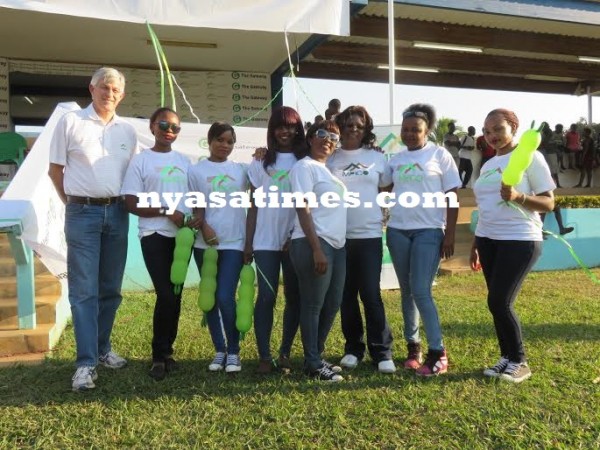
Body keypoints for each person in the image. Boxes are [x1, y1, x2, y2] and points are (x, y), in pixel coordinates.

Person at [48, 67, 138, 392]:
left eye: (115, 89)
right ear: (92, 88)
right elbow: (54, 170)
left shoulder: (128, 131)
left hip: (117, 213)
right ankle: (85, 364)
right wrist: (74, 202)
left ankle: (102, 350)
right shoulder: (70, 122)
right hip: (81, 213)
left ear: (122, 95)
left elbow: (133, 174)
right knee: (84, 291)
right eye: (104, 87)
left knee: (111, 289)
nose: (109, 93)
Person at [470, 108, 555, 383]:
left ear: (513, 127)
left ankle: (520, 361)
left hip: (520, 239)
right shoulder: (487, 165)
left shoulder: (531, 157)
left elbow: (549, 203)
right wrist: (475, 242)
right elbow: (486, 208)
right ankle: (506, 357)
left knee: (499, 301)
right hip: (488, 239)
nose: (491, 135)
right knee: (496, 304)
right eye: (487, 130)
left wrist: (519, 196)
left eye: (497, 129)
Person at [385, 104, 460, 377]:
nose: (409, 134)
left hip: (429, 231)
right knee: (407, 291)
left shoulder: (440, 155)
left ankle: (438, 352)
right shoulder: (394, 159)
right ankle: (413, 347)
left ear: (427, 130)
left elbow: (452, 196)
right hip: (397, 231)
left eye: (415, 129)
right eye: (405, 129)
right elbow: (382, 187)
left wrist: (449, 233)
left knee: (421, 290)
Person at [121, 107, 192, 380]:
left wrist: (194, 218)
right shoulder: (141, 161)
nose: (169, 131)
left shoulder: (185, 161)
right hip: (154, 234)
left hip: (182, 237)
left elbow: (195, 196)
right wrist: (166, 211)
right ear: (152, 127)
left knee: (175, 294)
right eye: (164, 125)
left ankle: (168, 351)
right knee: (165, 294)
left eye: (175, 127)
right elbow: (131, 203)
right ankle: (157, 356)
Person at [328, 105, 395, 374]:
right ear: (340, 127)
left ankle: (382, 351)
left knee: (370, 293)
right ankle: (353, 348)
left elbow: (387, 188)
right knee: (346, 295)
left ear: (366, 128)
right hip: (338, 236)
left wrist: (383, 213)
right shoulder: (331, 157)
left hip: (368, 234)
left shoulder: (377, 157)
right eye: (348, 124)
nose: (353, 129)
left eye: (358, 125)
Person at [244, 106, 306, 374]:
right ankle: (264, 356)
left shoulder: (305, 161)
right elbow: (253, 205)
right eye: (280, 126)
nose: (286, 131)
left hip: (295, 241)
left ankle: (285, 353)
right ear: (272, 130)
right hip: (265, 242)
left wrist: (294, 235)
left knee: (294, 298)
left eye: (291, 126)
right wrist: (248, 243)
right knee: (266, 297)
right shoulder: (260, 162)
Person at [188, 122, 248, 373]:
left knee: (225, 296)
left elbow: (263, 178)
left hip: (234, 242)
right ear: (210, 141)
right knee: (210, 299)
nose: (225, 145)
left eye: (230, 141)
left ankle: (234, 351)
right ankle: (220, 350)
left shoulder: (241, 170)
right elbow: (195, 204)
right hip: (205, 244)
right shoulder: (196, 170)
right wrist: (204, 228)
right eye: (220, 140)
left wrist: (262, 155)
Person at [289, 120, 347, 382]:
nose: (328, 139)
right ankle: (312, 363)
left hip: (336, 245)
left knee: (332, 303)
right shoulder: (303, 167)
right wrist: (316, 249)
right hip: (314, 243)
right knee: (312, 306)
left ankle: (316, 355)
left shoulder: (328, 171)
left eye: (334, 137)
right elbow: (303, 208)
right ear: (311, 138)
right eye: (322, 134)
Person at [544, 123, 563, 188]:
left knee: (554, 171)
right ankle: (555, 185)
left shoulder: (549, 134)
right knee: (551, 171)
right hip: (548, 154)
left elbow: (554, 144)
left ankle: (556, 184)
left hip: (551, 153)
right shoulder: (544, 135)